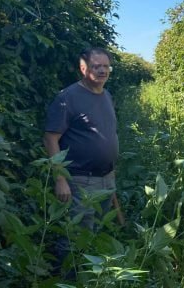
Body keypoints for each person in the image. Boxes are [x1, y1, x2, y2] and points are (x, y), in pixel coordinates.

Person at [44, 47, 118, 273]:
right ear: (83, 68)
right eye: (97, 66)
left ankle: (85, 278)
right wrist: (60, 179)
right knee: (73, 238)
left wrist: (111, 176)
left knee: (93, 234)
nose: (103, 71)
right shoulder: (68, 97)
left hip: (106, 179)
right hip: (79, 181)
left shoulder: (106, 95)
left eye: (106, 66)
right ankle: (64, 280)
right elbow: (50, 138)